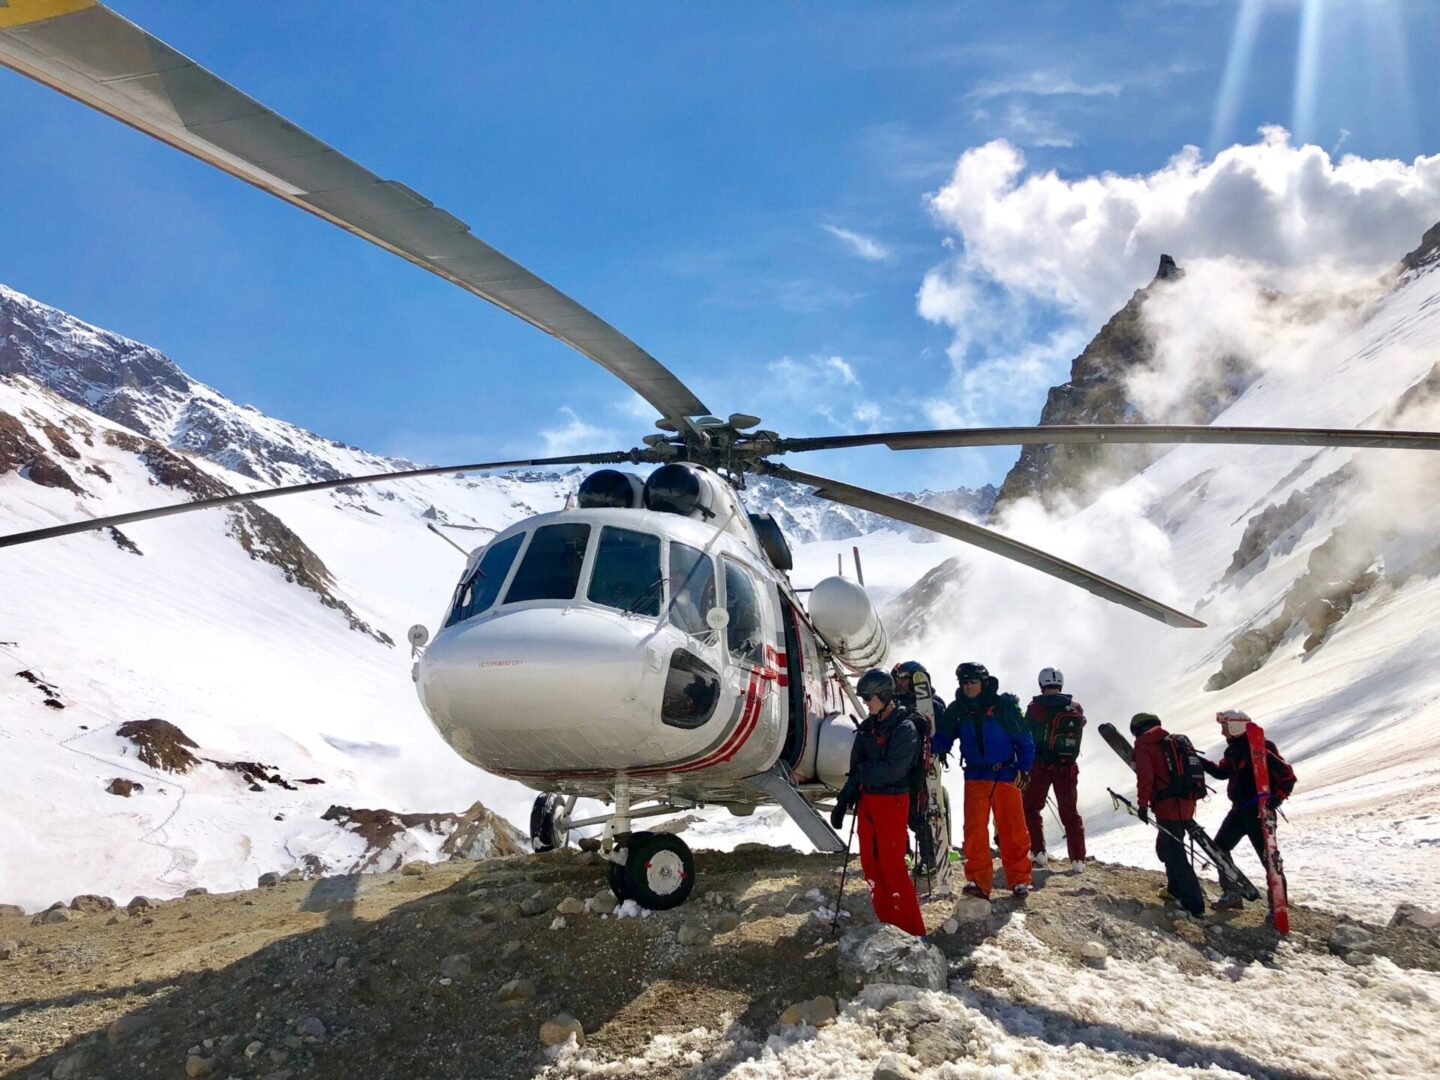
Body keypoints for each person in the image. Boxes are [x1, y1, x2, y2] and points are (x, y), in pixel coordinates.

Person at [830, 669, 927, 937]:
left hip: (893, 802)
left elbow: (893, 770)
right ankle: (889, 927)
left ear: (884, 695)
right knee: (871, 868)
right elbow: (857, 768)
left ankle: (913, 932)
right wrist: (843, 801)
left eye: (868, 698)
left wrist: (862, 774)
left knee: (892, 868)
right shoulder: (868, 727)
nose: (865, 703)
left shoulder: (905, 728)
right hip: (868, 803)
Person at [934, 662, 1033, 900]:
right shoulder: (957, 709)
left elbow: (1024, 739)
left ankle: (1019, 880)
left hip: (1005, 774)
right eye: (964, 682)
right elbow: (945, 737)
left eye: (973, 682)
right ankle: (978, 882)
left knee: (1013, 829)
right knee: (974, 831)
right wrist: (930, 748)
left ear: (983, 682)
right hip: (975, 776)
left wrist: (1024, 768)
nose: (968, 686)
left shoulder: (1002, 707)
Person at [1203, 709, 1296, 911]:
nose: (1222, 732)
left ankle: (1278, 907)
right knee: (1219, 849)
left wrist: (1278, 797)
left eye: (1224, 727)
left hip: (1258, 813)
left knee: (1268, 858)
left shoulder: (1260, 747)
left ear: (1235, 725)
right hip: (1239, 812)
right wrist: (1199, 761)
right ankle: (1233, 894)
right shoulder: (1234, 749)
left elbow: (1287, 775)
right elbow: (1222, 772)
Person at [1131, 712, 1205, 918]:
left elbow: (1145, 778)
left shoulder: (1144, 745)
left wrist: (1143, 805)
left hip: (1167, 805)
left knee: (1174, 852)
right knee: (1166, 847)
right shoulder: (1173, 741)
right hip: (1187, 802)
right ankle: (1174, 890)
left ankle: (1194, 903)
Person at [1022, 667, 1087, 872]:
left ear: (1041, 685)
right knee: (1070, 812)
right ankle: (1077, 860)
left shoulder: (1034, 707)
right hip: (1067, 767)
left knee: (1031, 808)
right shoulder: (1075, 706)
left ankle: (1039, 853)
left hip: (1040, 766)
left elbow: (1026, 734)